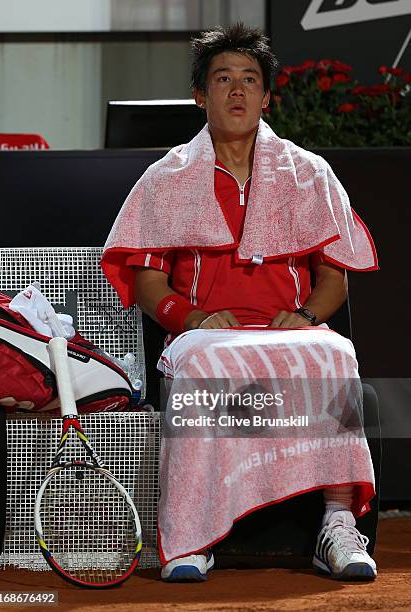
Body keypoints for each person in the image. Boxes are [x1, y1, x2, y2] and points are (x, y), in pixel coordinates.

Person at [102, 23, 379, 583]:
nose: (236, 91)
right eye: (222, 79)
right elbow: (153, 287)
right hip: (207, 336)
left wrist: (304, 319)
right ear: (199, 96)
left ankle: (338, 523)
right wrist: (195, 319)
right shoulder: (166, 180)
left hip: (289, 332)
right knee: (204, 363)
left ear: (266, 96)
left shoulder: (310, 174)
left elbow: (334, 281)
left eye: (249, 80)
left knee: (336, 355)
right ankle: (190, 537)